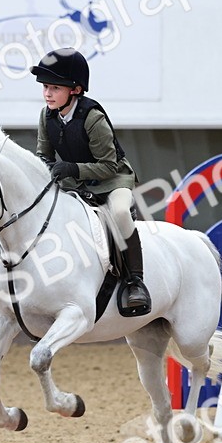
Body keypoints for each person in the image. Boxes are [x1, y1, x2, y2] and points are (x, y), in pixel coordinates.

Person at [32, 48, 151, 313]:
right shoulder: (46, 115)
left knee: (120, 213)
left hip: (113, 179)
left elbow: (109, 166)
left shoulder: (92, 118)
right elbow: (43, 155)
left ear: (74, 89)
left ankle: (135, 282)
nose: (47, 93)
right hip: (76, 182)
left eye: (54, 88)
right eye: (45, 87)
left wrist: (72, 169)